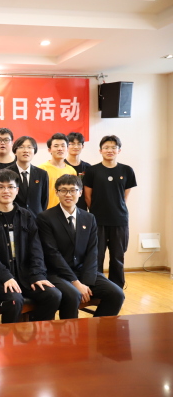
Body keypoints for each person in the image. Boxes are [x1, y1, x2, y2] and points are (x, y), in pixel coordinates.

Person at [0, 169, 61, 323]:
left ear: (17, 190)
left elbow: (36, 249)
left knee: (53, 295)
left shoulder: (26, 215)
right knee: (14, 300)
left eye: (10, 187)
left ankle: (34, 331)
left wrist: (37, 275)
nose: (6, 191)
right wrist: (6, 277)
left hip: (26, 276)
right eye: (1, 187)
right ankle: (10, 337)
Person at [37, 175, 125, 319]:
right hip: (57, 273)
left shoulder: (89, 218)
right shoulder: (45, 218)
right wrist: (76, 283)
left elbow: (92, 251)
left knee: (116, 294)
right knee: (74, 295)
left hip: (83, 271)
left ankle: (98, 330)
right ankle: (71, 332)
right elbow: (52, 254)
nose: (68, 194)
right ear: (56, 192)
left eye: (73, 190)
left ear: (80, 192)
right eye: (63, 190)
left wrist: (85, 282)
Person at [83, 135, 136, 288]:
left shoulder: (127, 170)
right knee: (97, 256)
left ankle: (117, 287)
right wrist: (97, 212)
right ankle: (98, 286)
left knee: (118, 256)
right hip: (98, 221)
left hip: (119, 220)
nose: (110, 150)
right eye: (106, 147)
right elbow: (87, 197)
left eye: (113, 147)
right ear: (100, 150)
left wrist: (116, 210)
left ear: (119, 150)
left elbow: (124, 197)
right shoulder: (92, 171)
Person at [6, 136, 49, 217]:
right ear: (15, 151)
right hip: (14, 218)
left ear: (34, 151)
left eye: (29, 147)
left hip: (36, 219)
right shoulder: (6, 173)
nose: (25, 150)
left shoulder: (42, 174)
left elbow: (44, 200)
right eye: (21, 147)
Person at [37, 133, 77, 209]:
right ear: (49, 150)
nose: (60, 149)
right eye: (56, 146)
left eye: (63, 146)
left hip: (66, 211)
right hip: (46, 212)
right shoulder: (41, 169)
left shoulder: (72, 171)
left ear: (67, 149)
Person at [65, 132, 92, 210]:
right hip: (64, 206)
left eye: (79, 144)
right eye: (72, 144)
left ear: (83, 146)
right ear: (67, 146)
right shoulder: (62, 165)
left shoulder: (88, 167)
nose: (76, 147)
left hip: (82, 208)